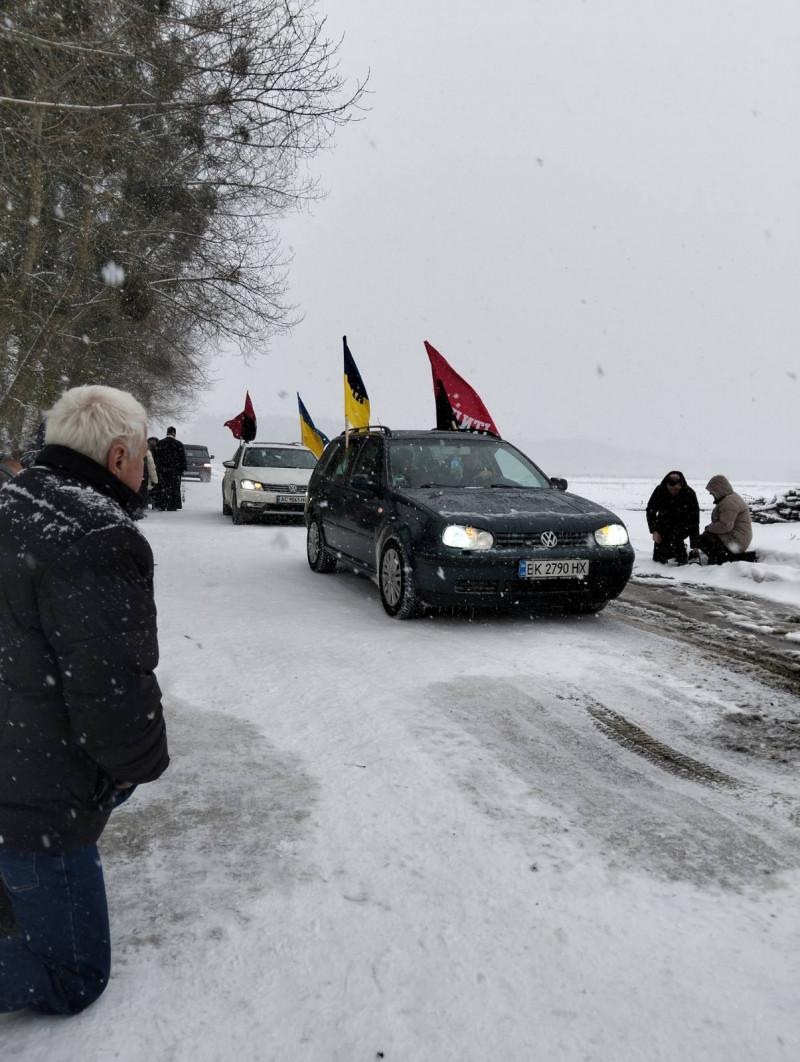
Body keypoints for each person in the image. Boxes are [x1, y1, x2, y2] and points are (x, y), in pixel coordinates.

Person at [0, 385, 169, 1015]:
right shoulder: (98, 536)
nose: (146, 472)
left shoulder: (12, 500)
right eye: (143, 458)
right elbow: (113, 695)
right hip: (39, 795)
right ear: (120, 456)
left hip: (13, 758)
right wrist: (140, 765)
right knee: (74, 974)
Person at [689, 474, 754, 565]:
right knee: (706, 537)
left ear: (718, 490)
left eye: (712, 492)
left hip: (736, 540)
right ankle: (720, 558)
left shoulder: (729, 502)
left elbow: (725, 526)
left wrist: (708, 528)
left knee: (702, 540)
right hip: (737, 538)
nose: (711, 494)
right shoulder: (729, 499)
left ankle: (722, 560)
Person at [645, 470, 700, 564]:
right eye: (670, 489)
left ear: (681, 486)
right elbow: (650, 511)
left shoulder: (689, 494)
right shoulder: (660, 490)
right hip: (663, 525)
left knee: (682, 559)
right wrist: (654, 531)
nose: (673, 492)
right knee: (658, 559)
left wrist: (695, 545)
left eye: (676, 489)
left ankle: (680, 549)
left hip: (682, 526)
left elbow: (694, 520)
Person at [152, 426, 186, 511]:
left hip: (161, 470)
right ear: (174, 434)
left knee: (162, 487)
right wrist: (181, 470)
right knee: (174, 488)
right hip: (175, 471)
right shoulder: (179, 444)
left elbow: (154, 457)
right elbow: (183, 459)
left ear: (167, 433)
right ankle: (172, 505)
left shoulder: (160, 443)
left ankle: (162, 504)